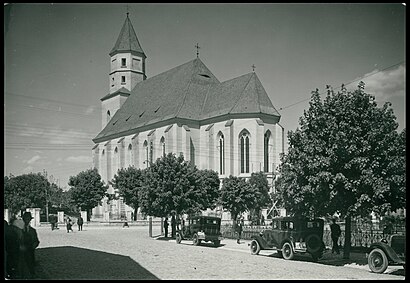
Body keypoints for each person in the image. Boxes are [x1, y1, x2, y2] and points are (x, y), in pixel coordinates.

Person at [20, 212, 40, 279]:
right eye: (25, 219)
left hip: (30, 253)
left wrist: (33, 246)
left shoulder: (33, 231)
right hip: (20, 253)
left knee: (30, 268)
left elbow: (36, 241)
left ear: (30, 220)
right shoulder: (19, 230)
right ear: (23, 219)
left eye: (28, 219)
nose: (27, 220)